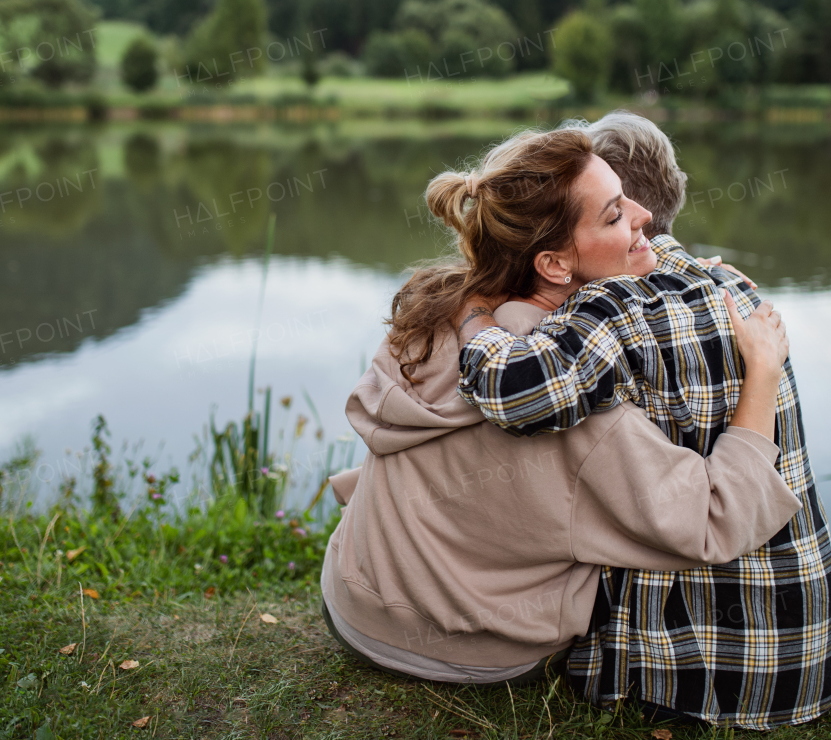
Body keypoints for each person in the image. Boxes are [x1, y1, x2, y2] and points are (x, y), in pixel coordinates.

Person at [319, 127, 803, 691]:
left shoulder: (441, 308)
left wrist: (685, 272)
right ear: (553, 264)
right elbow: (718, 520)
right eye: (616, 214)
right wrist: (763, 373)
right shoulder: (570, 397)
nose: (646, 216)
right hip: (473, 653)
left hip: (351, 607)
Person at [454, 112, 831, 729]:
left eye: (620, 207)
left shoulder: (614, 311)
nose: (631, 215)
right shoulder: (731, 287)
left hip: (705, 678)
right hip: (807, 656)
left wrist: (474, 313)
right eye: (613, 211)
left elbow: (511, 392)